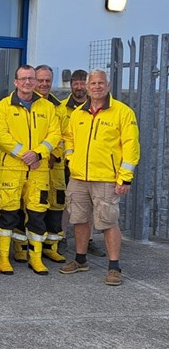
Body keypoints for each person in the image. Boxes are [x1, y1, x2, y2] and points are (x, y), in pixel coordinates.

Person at [59, 69, 140, 286]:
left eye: (100, 83)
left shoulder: (122, 112)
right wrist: (70, 158)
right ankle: (80, 259)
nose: (96, 86)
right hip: (78, 177)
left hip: (106, 178)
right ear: (86, 86)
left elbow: (131, 146)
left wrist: (125, 177)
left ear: (108, 85)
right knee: (79, 219)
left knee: (107, 222)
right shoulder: (78, 114)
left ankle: (114, 267)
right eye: (92, 83)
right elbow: (68, 138)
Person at [0, 65, 61, 275]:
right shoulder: (3, 106)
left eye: (31, 79)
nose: (28, 83)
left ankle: (36, 259)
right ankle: (4, 258)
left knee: (37, 215)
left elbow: (54, 134)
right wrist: (26, 155)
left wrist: (38, 153)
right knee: (7, 215)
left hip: (38, 170)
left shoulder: (47, 107)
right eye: (23, 79)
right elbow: (1, 136)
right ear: (15, 82)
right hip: (11, 170)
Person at [59, 70, 106, 257]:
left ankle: (90, 240)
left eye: (81, 83)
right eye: (75, 83)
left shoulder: (101, 107)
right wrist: (70, 158)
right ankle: (62, 237)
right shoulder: (63, 107)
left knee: (93, 204)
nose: (79, 87)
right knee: (67, 203)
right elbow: (65, 136)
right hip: (71, 165)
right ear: (71, 85)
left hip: (95, 165)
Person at [33, 65, 67, 264]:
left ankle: (51, 247)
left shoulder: (59, 106)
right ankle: (23, 248)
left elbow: (64, 136)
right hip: (34, 164)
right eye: (41, 80)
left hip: (55, 166)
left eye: (48, 80)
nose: (44, 84)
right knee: (32, 205)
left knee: (56, 204)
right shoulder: (28, 102)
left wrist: (55, 154)